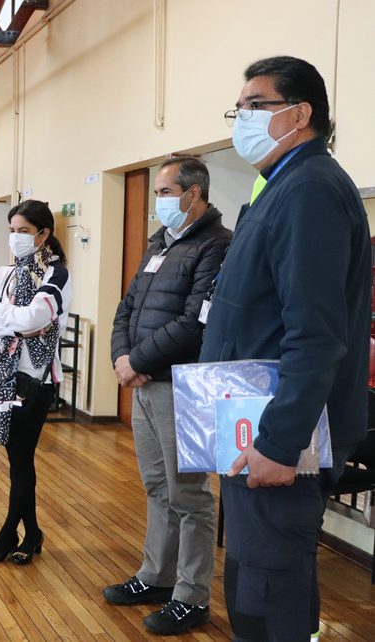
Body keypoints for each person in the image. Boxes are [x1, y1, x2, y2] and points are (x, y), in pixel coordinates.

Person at [201, 56, 371, 641]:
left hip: (282, 433)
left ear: (300, 115)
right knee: (252, 579)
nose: (243, 118)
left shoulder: (310, 190)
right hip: (254, 420)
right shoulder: (282, 186)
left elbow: (315, 333)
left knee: (270, 590)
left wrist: (279, 441)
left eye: (256, 105)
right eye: (239, 108)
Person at [105, 156, 231, 636]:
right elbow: (128, 307)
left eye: (164, 192)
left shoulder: (217, 244)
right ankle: (156, 575)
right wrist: (123, 356)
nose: (157, 201)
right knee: (158, 487)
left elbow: (196, 321)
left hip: (181, 386)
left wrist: (136, 361)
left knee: (189, 495)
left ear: (193, 194)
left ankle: (191, 596)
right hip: (144, 383)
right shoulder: (160, 242)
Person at [0, 199, 71, 566]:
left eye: (24, 231)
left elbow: (35, 317)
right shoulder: (5, 273)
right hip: (2, 374)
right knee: (16, 458)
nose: (16, 237)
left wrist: (0, 312)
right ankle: (31, 533)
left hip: (35, 380)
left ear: (43, 234)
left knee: (22, 457)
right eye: (12, 230)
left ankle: (8, 533)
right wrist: (16, 323)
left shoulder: (56, 274)